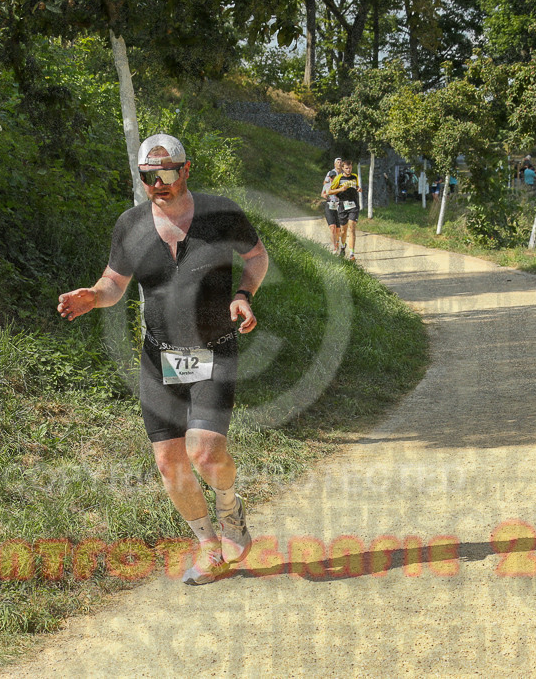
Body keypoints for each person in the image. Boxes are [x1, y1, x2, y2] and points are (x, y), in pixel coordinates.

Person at [57, 134, 269, 585]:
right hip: (159, 357)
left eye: (168, 174)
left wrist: (243, 295)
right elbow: (114, 283)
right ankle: (209, 547)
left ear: (186, 170)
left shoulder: (220, 213)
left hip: (214, 349)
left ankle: (231, 512)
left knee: (205, 454)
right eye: (149, 177)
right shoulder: (130, 225)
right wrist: (93, 296)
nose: (159, 184)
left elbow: (256, 256)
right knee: (170, 462)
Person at [329, 159, 362, 261]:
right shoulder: (338, 178)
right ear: (342, 168)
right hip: (343, 206)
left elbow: (356, 186)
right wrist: (340, 189)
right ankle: (343, 246)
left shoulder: (355, 176)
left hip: (354, 205)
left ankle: (352, 254)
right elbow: (329, 191)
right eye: (346, 168)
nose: (349, 170)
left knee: (352, 227)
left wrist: (358, 189)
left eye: (350, 168)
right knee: (343, 231)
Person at [321, 157, 343, 253]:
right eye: (337, 162)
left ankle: (338, 242)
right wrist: (326, 195)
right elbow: (323, 192)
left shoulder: (343, 175)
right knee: (332, 228)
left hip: (339, 206)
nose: (332, 178)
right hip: (330, 205)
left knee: (338, 230)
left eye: (340, 162)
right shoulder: (328, 181)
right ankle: (334, 248)